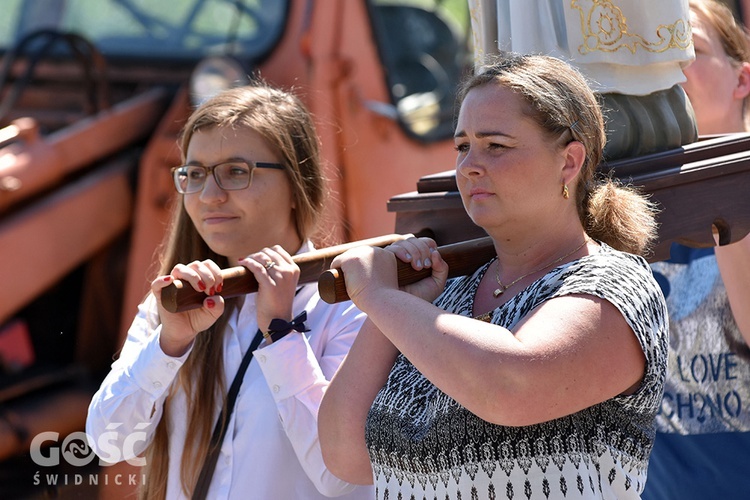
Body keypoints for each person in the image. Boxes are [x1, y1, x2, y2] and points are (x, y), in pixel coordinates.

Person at [318, 53, 669, 499]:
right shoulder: (443, 295)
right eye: (463, 146)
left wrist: (380, 297)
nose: (468, 167)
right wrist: (392, 306)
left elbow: (510, 386)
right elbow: (345, 453)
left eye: (495, 146)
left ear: (569, 162)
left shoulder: (616, 286)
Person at [86, 83, 373, 499]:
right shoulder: (171, 305)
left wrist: (281, 334)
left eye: (236, 172)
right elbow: (109, 444)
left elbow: (343, 477)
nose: (209, 195)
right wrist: (169, 344)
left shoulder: (350, 305)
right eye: (195, 173)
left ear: (297, 183)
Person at [642, 1, 750, 498]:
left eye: (688, 48)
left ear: (742, 79)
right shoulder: (627, 204)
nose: (669, 66)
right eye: (654, 52)